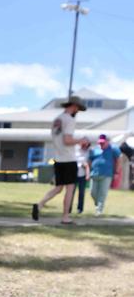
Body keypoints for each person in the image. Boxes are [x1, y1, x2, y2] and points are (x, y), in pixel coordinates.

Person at [32, 95, 88, 225]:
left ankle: (39, 205)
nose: (77, 111)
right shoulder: (69, 120)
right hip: (69, 159)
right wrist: (81, 140)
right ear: (74, 106)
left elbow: (60, 140)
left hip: (58, 159)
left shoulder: (57, 119)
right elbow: (67, 140)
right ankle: (65, 217)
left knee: (58, 188)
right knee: (69, 189)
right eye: (78, 109)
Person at [89, 133, 122, 215]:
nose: (101, 144)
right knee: (92, 192)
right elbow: (90, 160)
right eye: (100, 142)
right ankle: (98, 204)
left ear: (108, 141)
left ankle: (99, 210)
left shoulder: (113, 149)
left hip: (107, 174)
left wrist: (117, 172)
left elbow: (119, 160)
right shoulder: (95, 149)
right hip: (94, 174)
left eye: (103, 142)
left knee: (102, 193)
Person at [74, 141, 90, 214]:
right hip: (74, 174)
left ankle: (80, 209)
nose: (85, 147)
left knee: (81, 193)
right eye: (84, 145)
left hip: (82, 175)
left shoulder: (88, 152)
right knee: (71, 192)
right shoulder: (75, 150)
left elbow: (88, 164)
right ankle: (68, 208)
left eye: (87, 146)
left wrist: (87, 174)